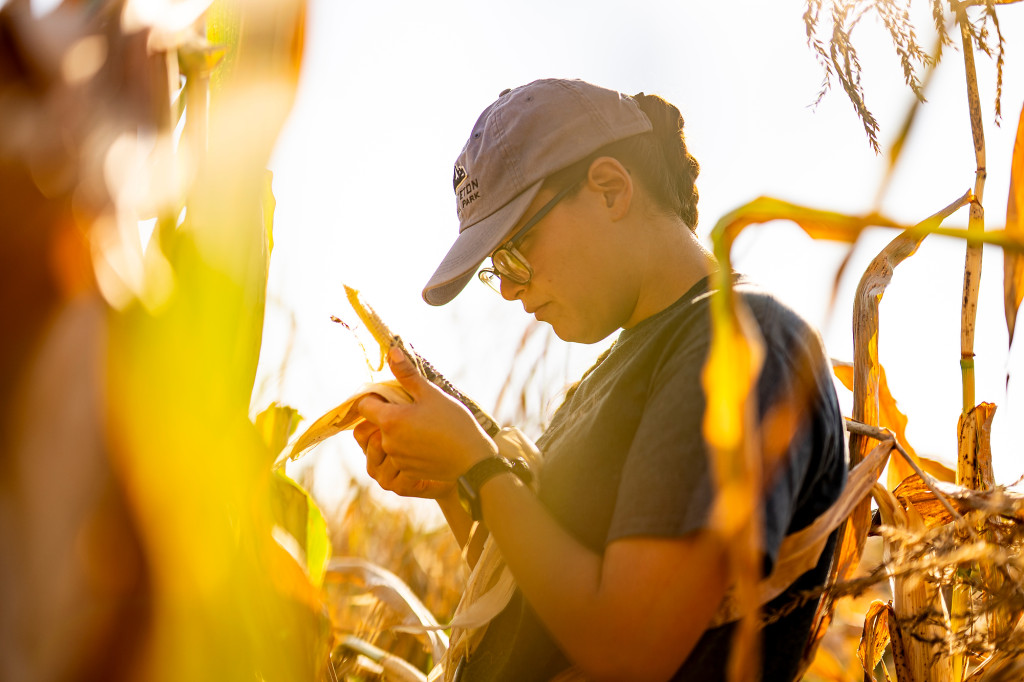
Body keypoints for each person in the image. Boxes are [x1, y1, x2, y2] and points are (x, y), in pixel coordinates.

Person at [353, 78, 847, 681]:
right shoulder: (624, 368)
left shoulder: (739, 340)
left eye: (515, 249)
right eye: (494, 270)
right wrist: (455, 485)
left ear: (610, 189)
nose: (508, 286)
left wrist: (482, 469)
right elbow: (539, 615)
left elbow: (631, 647)